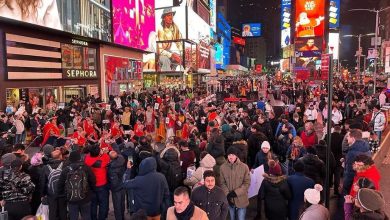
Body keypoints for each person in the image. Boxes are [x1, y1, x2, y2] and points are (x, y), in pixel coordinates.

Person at [58, 151, 96, 220]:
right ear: (79, 158)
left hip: (71, 198)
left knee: (73, 217)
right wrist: (91, 192)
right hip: (85, 197)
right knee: (86, 216)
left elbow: (60, 185)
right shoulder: (86, 168)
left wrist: (64, 195)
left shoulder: (66, 170)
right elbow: (93, 181)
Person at [220, 146, 251, 220]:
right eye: (229, 155)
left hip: (241, 199)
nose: (231, 157)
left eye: (233, 155)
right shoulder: (222, 167)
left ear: (236, 155)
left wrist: (235, 193)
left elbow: (247, 183)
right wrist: (228, 194)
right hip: (229, 200)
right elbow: (222, 183)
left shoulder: (244, 167)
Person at [84, 145, 110, 220]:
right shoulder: (103, 159)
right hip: (102, 185)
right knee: (103, 204)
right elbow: (108, 159)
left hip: (91, 185)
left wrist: (100, 153)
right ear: (98, 153)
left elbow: (92, 155)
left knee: (93, 204)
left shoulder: (87, 158)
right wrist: (103, 153)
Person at [40, 147, 66, 220]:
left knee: (52, 211)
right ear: (60, 156)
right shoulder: (65, 165)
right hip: (63, 192)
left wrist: (42, 194)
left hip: (51, 193)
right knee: (63, 210)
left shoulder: (46, 167)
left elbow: (42, 182)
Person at [343, 129, 371, 195]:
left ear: (352, 138)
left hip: (353, 181)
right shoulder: (365, 148)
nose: (347, 138)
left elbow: (350, 172)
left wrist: (345, 185)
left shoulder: (352, 152)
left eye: (348, 136)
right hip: (361, 179)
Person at [107, 151, 126, 220]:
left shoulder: (112, 169)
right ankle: (122, 217)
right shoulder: (121, 159)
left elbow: (114, 183)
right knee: (122, 203)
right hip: (123, 185)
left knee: (117, 205)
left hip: (116, 189)